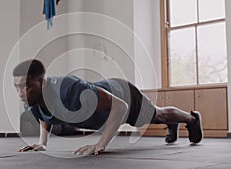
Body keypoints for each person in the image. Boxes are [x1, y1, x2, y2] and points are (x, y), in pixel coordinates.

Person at [13, 59, 203, 155]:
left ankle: (192, 118)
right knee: (157, 116)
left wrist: (100, 144)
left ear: (42, 82)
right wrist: (43, 143)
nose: (20, 92)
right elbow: (45, 116)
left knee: (157, 115)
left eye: (25, 86)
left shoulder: (70, 90)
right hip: (109, 98)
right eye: (17, 87)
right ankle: (173, 124)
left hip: (122, 93)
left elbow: (120, 107)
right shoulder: (33, 100)